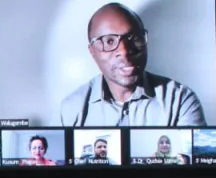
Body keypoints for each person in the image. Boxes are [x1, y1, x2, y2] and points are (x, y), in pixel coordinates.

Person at [55, 3, 205, 127]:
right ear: (92, 51)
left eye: (134, 38)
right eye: (109, 41)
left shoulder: (180, 102)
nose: (124, 51)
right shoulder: (71, 110)